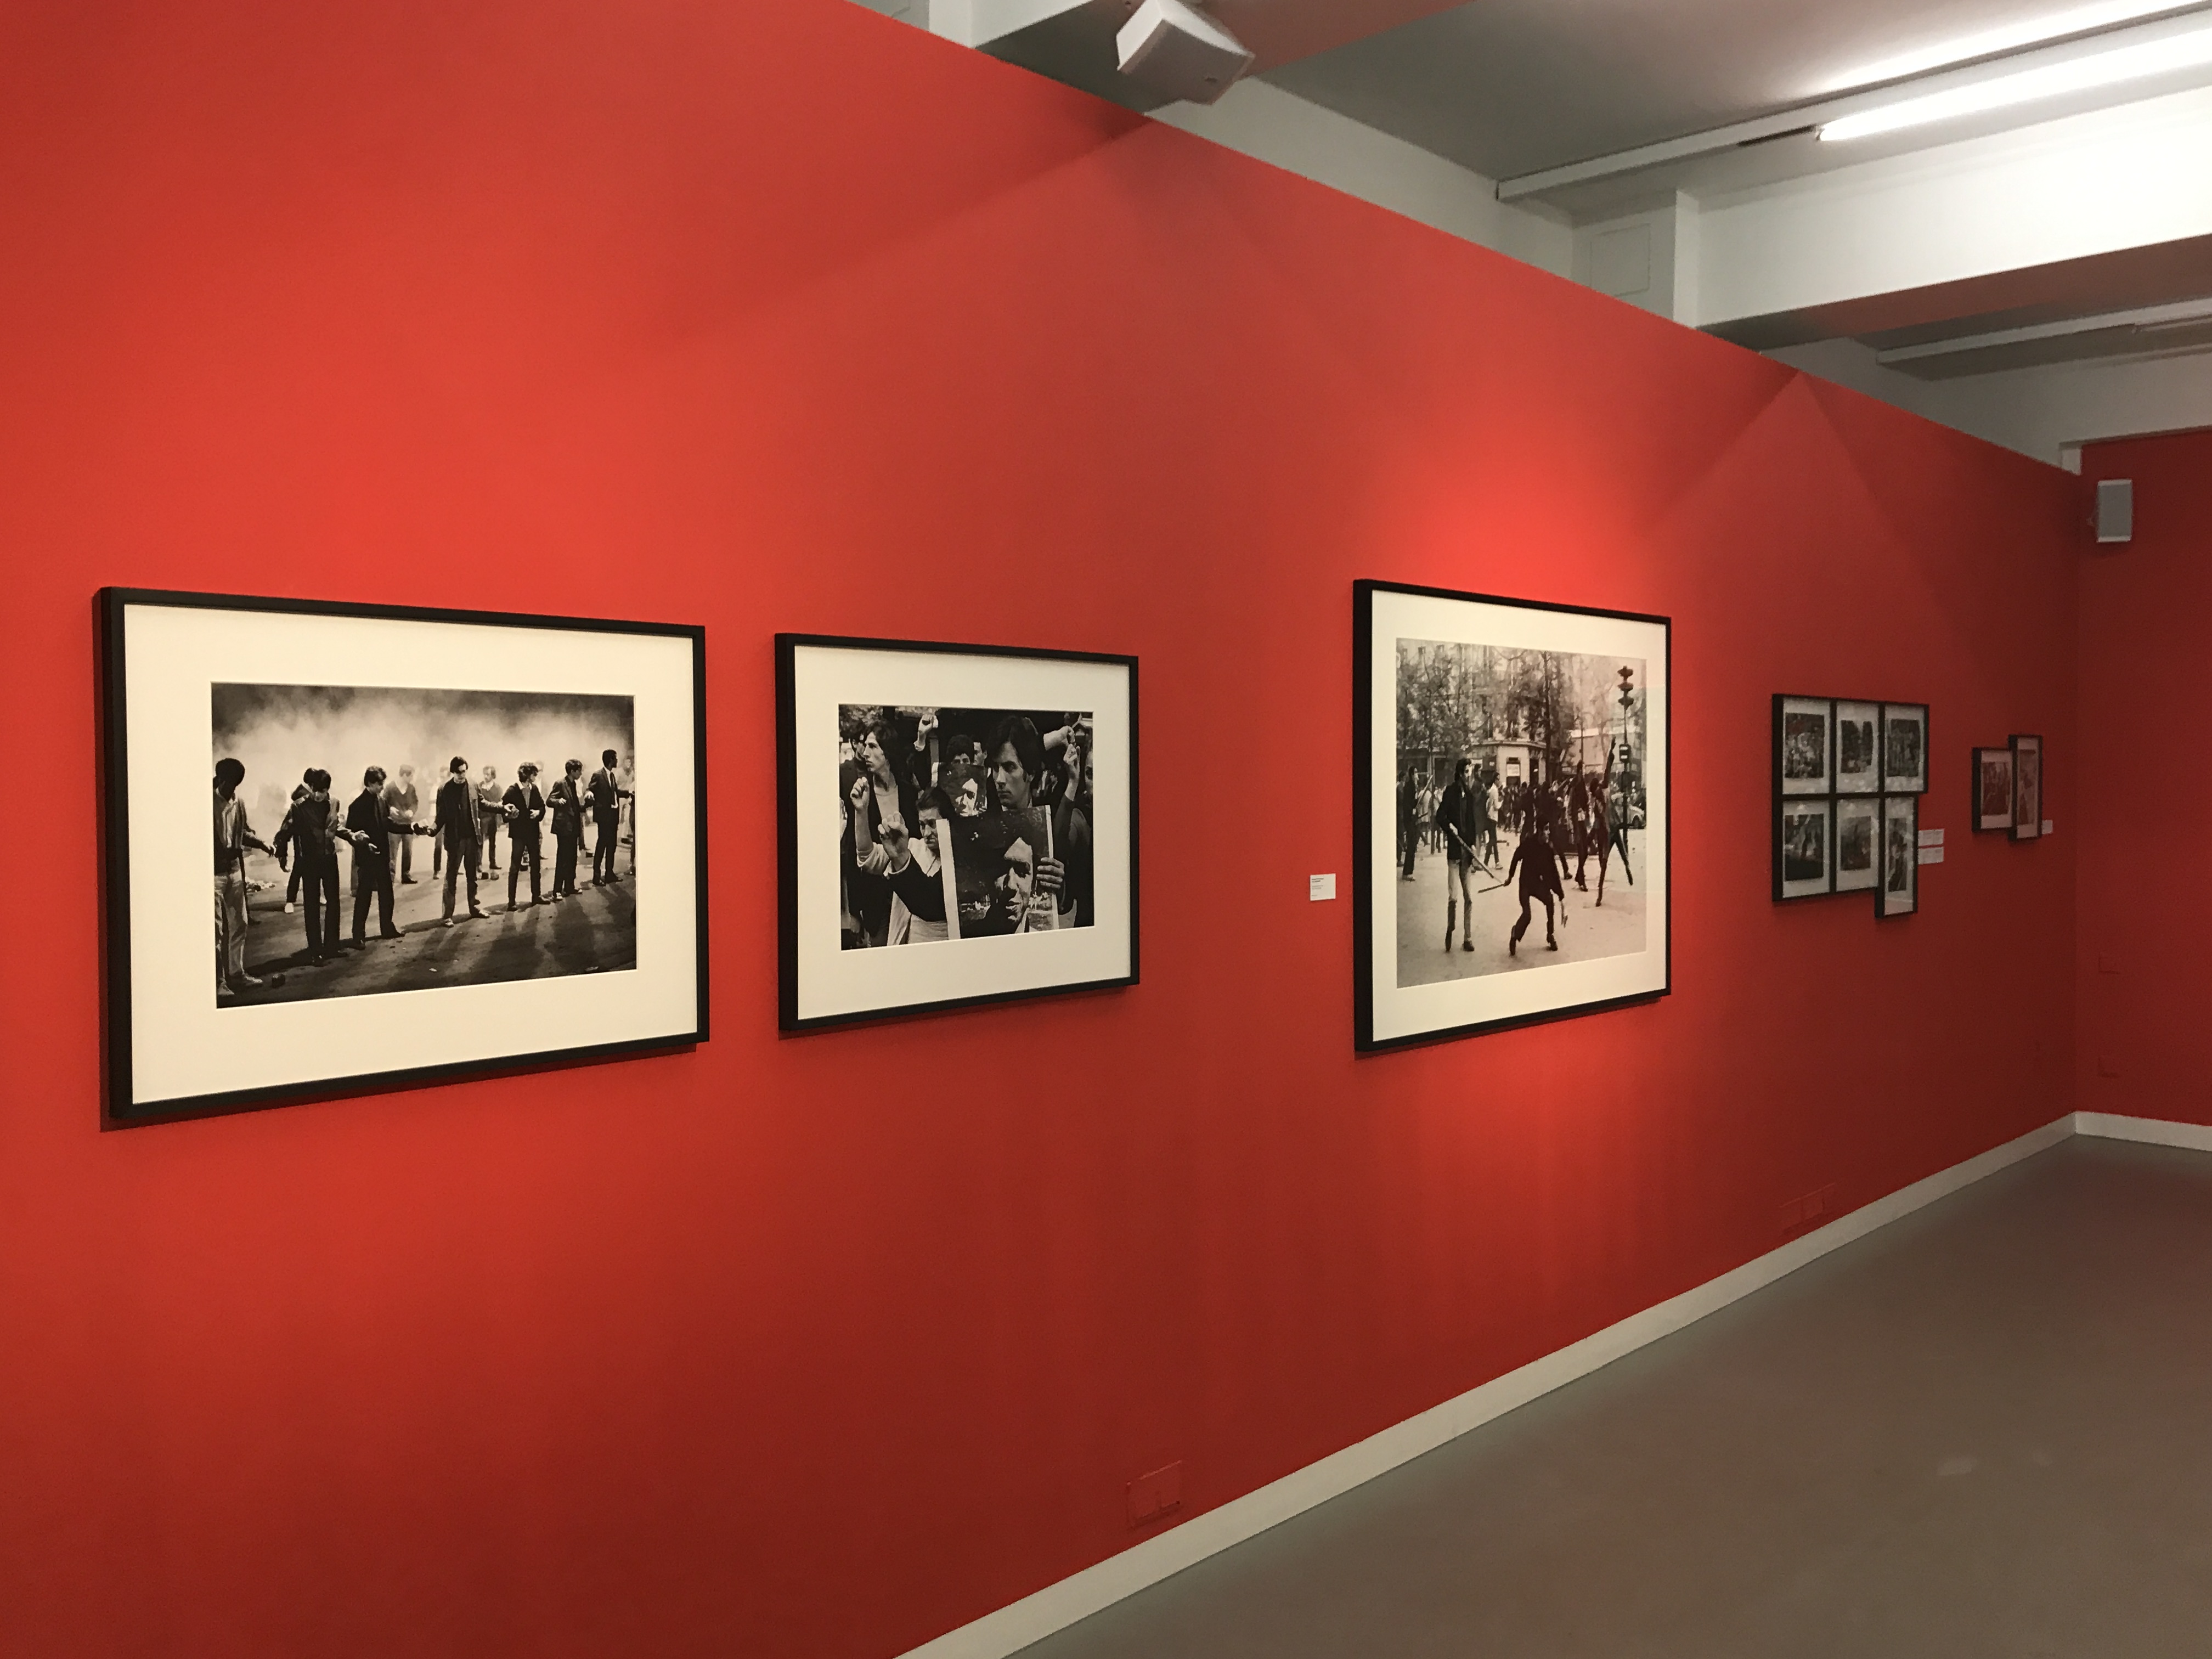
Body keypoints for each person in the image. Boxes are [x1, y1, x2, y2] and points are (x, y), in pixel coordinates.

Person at [988, 714, 1077, 923]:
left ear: (1031, 773)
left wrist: (1058, 885)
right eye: (995, 768)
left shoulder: (1050, 827)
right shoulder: (978, 821)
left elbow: (1065, 904)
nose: (999, 779)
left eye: (1009, 768)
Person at [213, 758, 281, 998]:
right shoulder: (206, 801)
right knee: (215, 930)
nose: (233, 789)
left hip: (234, 869)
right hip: (213, 873)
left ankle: (237, 974)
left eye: (236, 785)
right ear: (221, 779)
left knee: (240, 923)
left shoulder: (238, 801)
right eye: (230, 784)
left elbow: (242, 832)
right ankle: (218, 982)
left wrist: (262, 843)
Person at [286, 768, 348, 964]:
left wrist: (353, 837)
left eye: (323, 791)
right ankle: (315, 951)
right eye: (316, 790)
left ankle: (332, 946)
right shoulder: (299, 806)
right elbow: (288, 830)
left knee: (334, 903)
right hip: (310, 861)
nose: (319, 795)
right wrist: (281, 852)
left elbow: (336, 828)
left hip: (329, 858)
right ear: (310, 787)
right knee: (311, 906)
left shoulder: (335, 802)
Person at [343, 765, 408, 944]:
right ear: (370, 783)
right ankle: (358, 936)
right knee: (364, 897)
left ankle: (387, 928)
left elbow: (389, 824)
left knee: (387, 894)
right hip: (367, 859)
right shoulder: (357, 806)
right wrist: (365, 846)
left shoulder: (381, 802)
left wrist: (411, 828)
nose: (382, 787)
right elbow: (351, 834)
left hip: (383, 856)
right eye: (380, 784)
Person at [1434, 758, 1483, 952]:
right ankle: (1450, 929)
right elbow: (1440, 816)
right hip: (1454, 855)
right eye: (1467, 772)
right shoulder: (1450, 792)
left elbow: (1472, 824)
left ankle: (1467, 938)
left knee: (1469, 898)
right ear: (1460, 774)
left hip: (1466, 856)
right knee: (1454, 898)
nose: (1469, 776)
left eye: (1470, 772)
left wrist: (1472, 844)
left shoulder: (1470, 796)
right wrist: (1450, 827)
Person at [432, 755, 486, 926]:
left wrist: (502, 808)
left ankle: (474, 907)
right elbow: (440, 817)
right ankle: (447, 915)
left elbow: (483, 803)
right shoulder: (444, 790)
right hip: (455, 841)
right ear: (453, 772)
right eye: (459, 772)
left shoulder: (473, 785)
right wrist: (432, 830)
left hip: (472, 838)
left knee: (472, 876)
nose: (463, 775)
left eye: (464, 771)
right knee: (451, 877)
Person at [1507, 809, 1562, 957]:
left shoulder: (1548, 850)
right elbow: (1516, 857)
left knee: (1550, 901)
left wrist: (1560, 894)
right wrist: (1510, 877)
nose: (1548, 833)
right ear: (1540, 831)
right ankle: (1515, 934)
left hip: (1537, 885)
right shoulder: (1529, 844)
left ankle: (1550, 935)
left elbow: (1554, 873)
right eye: (1546, 829)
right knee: (1527, 915)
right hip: (1525, 884)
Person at [501, 762, 548, 911]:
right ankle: (511, 902)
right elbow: (503, 811)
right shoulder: (512, 790)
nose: (536, 777)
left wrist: (538, 812)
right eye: (534, 774)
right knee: (515, 866)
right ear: (528, 776)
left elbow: (542, 806)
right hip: (519, 834)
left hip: (532, 832)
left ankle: (536, 896)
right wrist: (510, 815)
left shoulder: (534, 789)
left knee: (536, 865)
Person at [587, 749, 630, 886]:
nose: (617, 761)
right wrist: (589, 793)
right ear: (611, 759)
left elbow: (615, 792)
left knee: (612, 846)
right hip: (604, 817)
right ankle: (596, 876)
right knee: (602, 845)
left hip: (612, 816)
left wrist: (629, 793)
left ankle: (609, 874)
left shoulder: (611, 775)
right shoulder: (598, 775)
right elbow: (590, 789)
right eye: (615, 758)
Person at [548, 759, 585, 899]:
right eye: (579, 771)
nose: (581, 773)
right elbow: (549, 800)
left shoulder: (573, 784)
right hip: (564, 828)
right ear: (572, 771)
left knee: (572, 858)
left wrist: (586, 805)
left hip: (573, 827)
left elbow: (574, 806)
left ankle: (569, 886)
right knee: (563, 859)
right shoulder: (560, 783)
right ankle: (557, 890)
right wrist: (558, 801)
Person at [273, 781, 310, 914]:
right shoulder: (296, 810)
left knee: (313, 872)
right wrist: (282, 855)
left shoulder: (314, 806)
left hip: (313, 847)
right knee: (298, 871)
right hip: (301, 847)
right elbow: (284, 834)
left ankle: (313, 897)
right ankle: (290, 901)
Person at [382, 764, 421, 884]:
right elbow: (383, 802)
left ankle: (406, 875)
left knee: (408, 851)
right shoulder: (390, 788)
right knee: (392, 852)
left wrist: (412, 811)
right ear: (404, 775)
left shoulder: (411, 788)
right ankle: (390, 877)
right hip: (394, 824)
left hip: (407, 824)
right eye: (411, 776)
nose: (412, 778)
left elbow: (415, 803)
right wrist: (390, 809)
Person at [475, 763, 504, 873]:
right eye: (485, 774)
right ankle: (479, 864)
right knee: (480, 842)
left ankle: (493, 862)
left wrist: (500, 820)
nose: (486, 776)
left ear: (493, 775)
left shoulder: (497, 788)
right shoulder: (479, 787)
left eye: (488, 774)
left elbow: (499, 802)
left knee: (493, 841)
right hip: (482, 818)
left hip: (493, 817)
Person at [1398, 767, 1422, 881]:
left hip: (1412, 818)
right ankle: (1407, 872)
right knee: (1411, 844)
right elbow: (1407, 803)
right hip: (1409, 819)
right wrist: (1412, 810)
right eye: (1416, 773)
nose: (1417, 775)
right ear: (1412, 774)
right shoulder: (1409, 787)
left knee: (1413, 844)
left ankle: (1409, 871)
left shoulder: (1414, 787)